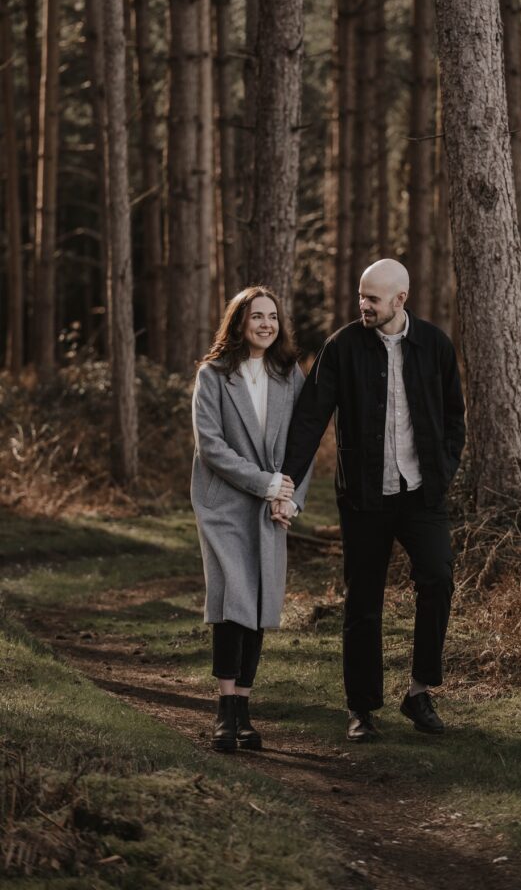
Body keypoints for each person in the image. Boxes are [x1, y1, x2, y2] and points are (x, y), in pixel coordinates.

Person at [276, 259, 465, 742]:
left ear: (401, 300)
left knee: (438, 577)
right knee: (363, 602)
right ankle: (361, 708)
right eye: (361, 295)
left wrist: (442, 470)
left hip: (421, 494)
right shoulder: (342, 347)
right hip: (363, 497)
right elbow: (310, 420)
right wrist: (286, 485)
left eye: (373, 298)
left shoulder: (436, 345)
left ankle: (419, 691)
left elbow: (454, 417)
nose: (363, 304)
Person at [191, 287, 312, 753]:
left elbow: (301, 446)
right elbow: (211, 446)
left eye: (273, 317)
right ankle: (225, 710)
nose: (266, 324)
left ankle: (244, 709)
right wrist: (267, 484)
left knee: (259, 601)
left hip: (270, 508)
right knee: (232, 598)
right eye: (257, 316)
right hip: (223, 504)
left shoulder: (289, 375)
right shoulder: (213, 375)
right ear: (239, 322)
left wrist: (290, 500)